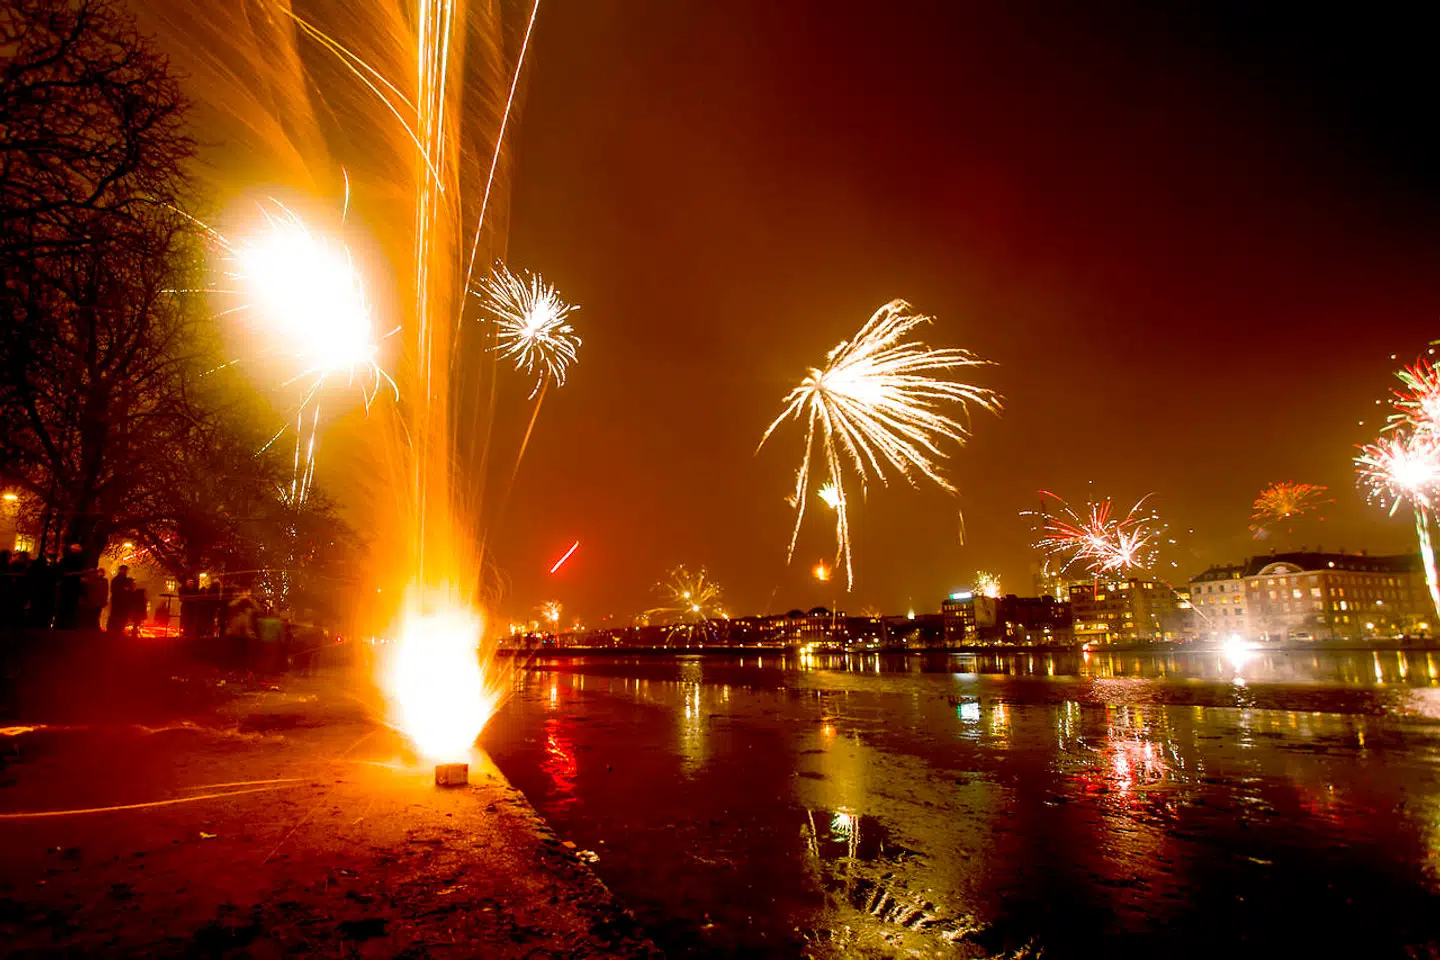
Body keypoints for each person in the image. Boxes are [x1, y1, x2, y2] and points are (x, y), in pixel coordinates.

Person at [55, 543, 86, 629]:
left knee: (66, 605)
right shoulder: (74, 560)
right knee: (70, 606)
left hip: (69, 585)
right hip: (71, 586)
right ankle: (68, 624)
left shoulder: (66, 559)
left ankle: (63, 624)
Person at [108, 564, 134, 634]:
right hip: (118, 602)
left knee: (122, 617)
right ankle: (115, 630)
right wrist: (124, 589)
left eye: (126, 570)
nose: (125, 571)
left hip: (123, 602)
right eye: (124, 570)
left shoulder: (125, 580)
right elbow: (113, 590)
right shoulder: (116, 580)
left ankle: (118, 630)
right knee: (117, 616)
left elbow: (131, 590)